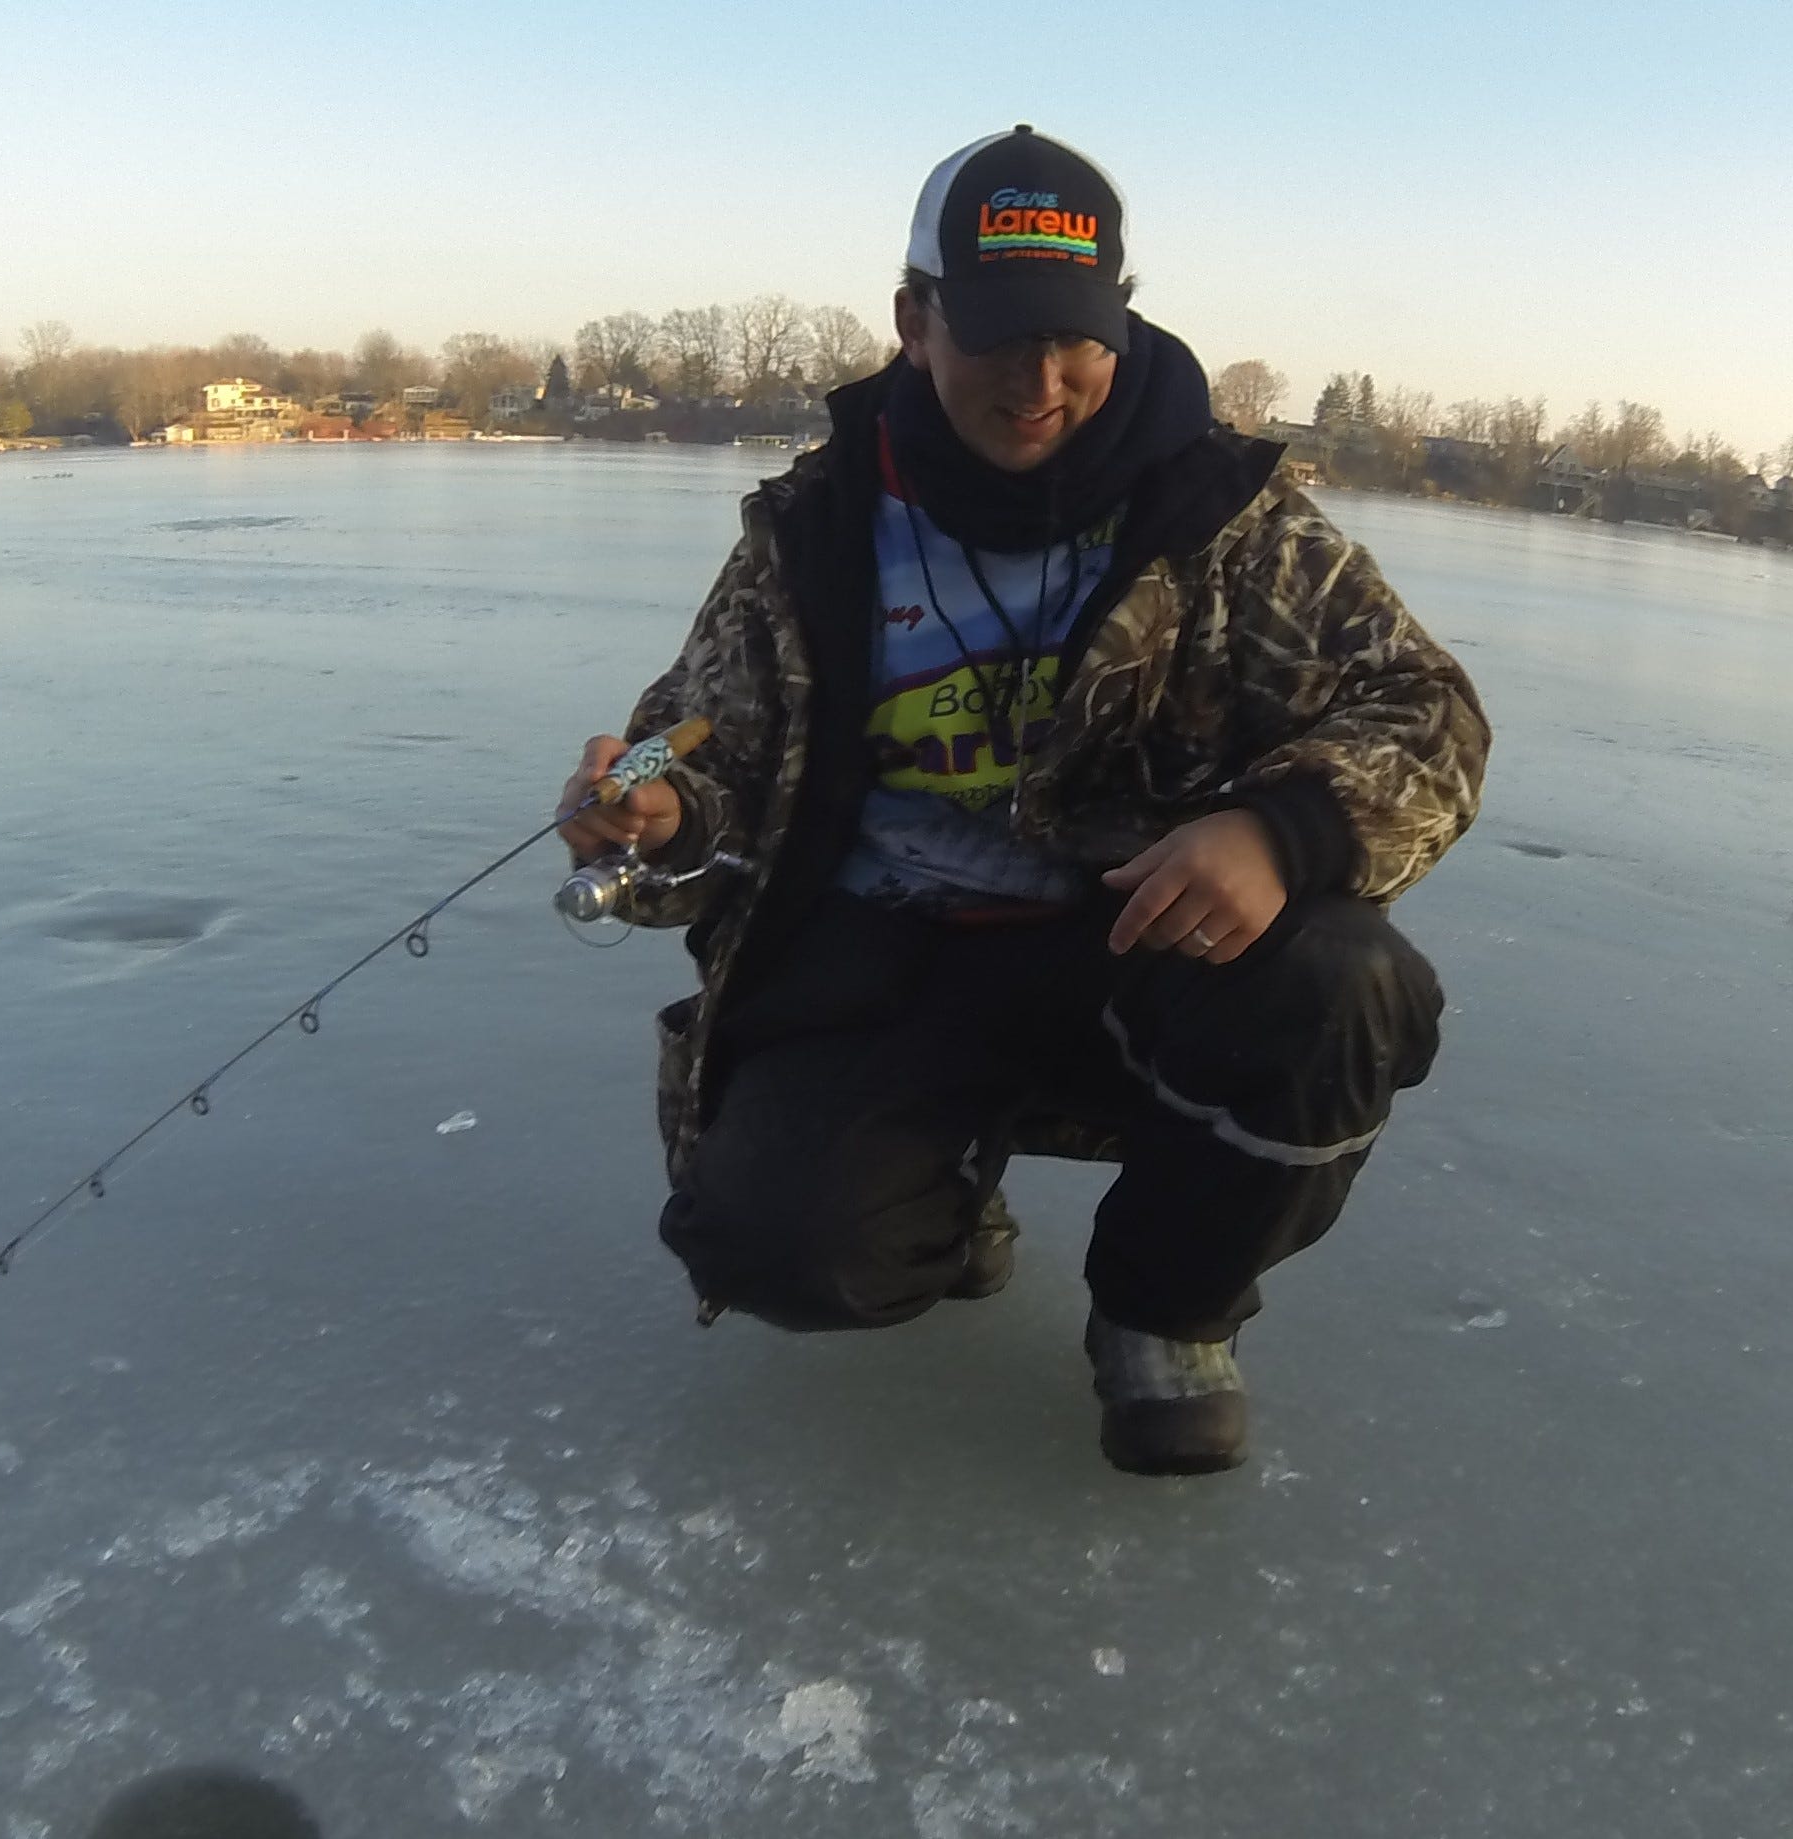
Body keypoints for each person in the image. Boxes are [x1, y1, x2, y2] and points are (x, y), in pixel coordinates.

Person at [556, 127, 1487, 1475]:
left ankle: (1168, 1314)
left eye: (1077, 336)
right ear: (914, 319)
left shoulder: (1218, 514)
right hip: (881, 956)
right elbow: (692, 750)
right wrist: (650, 811)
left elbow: (1430, 711)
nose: (1042, 381)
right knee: (778, 1251)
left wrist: (1277, 830)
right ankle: (941, 1191)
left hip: (1129, 941)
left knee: (1345, 987)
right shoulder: (815, 525)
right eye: (998, 335)